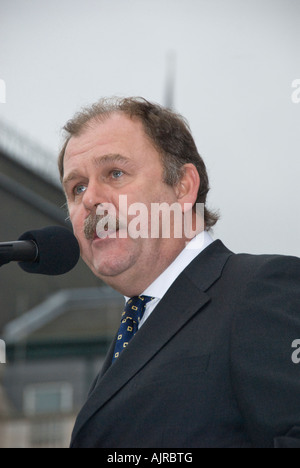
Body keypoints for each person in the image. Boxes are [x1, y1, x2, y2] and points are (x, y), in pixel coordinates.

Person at [58, 97, 300, 448]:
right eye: (77, 188)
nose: (91, 198)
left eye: (115, 173)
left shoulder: (260, 289)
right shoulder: (134, 329)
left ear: (183, 187)